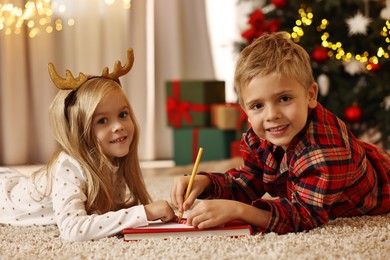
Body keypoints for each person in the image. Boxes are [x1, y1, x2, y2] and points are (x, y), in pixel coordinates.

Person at [171, 32, 390, 234]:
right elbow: (248, 181)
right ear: (246, 111)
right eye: (257, 106)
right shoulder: (260, 136)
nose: (272, 115)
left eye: (284, 99)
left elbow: (304, 216)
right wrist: (205, 182)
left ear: (311, 95)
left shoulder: (325, 153)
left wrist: (239, 211)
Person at [0, 48, 175, 241]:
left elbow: (106, 214)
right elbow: (73, 230)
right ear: (80, 131)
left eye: (123, 115)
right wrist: (145, 213)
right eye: (102, 121)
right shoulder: (69, 165)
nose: (118, 126)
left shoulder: (114, 160)